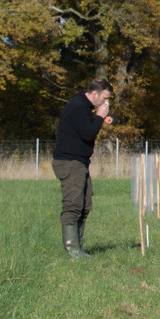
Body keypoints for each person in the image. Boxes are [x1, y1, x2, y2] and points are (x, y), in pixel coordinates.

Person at [52, 76, 112, 258]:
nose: (106, 102)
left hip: (80, 162)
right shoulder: (77, 106)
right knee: (73, 204)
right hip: (70, 162)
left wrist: (99, 117)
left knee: (85, 204)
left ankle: (79, 247)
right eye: (105, 98)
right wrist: (100, 116)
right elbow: (88, 133)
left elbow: (87, 130)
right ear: (94, 94)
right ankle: (73, 251)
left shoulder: (84, 107)